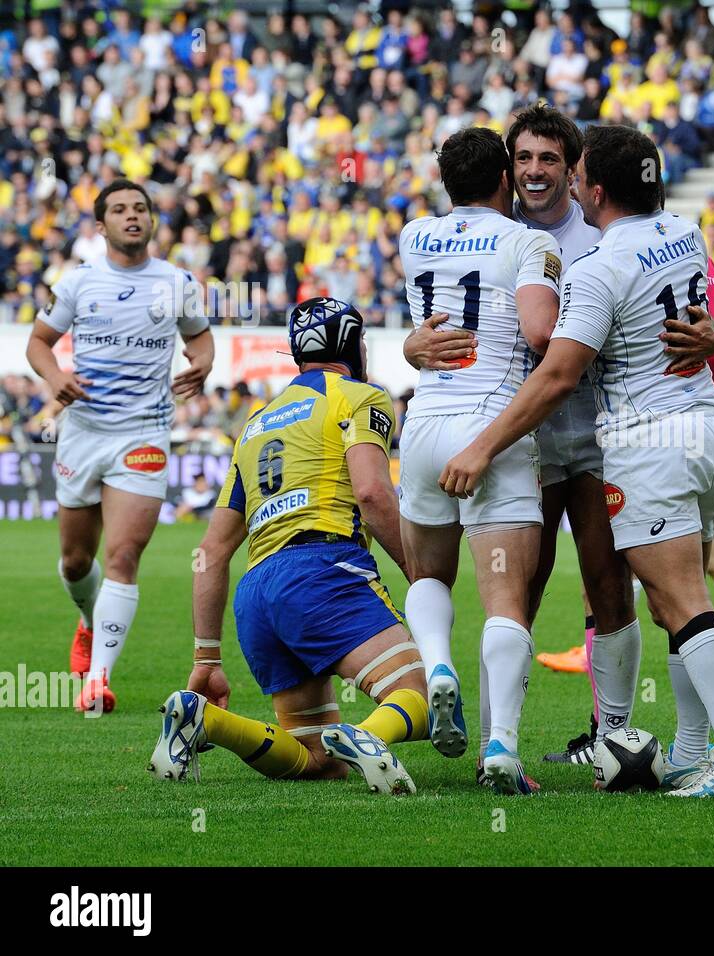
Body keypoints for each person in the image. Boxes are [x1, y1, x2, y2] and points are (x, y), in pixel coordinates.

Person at [440, 124, 714, 798]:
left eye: (563, 163)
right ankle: (689, 751)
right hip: (700, 428)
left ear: (588, 183)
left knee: (673, 598)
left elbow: (560, 370)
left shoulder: (598, 265)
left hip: (641, 440)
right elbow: (693, 306)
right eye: (525, 159)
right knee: (676, 598)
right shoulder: (683, 231)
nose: (543, 172)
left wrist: (480, 446)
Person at [148, 297, 426, 795]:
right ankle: (366, 735)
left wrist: (207, 658)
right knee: (413, 693)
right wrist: (420, 575)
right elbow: (372, 492)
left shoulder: (255, 425)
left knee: (317, 759)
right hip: (324, 570)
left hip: (257, 592)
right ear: (352, 345)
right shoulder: (360, 396)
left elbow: (210, 551)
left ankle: (205, 722)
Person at [395, 127, 562, 796]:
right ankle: (502, 751)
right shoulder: (529, 242)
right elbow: (541, 333)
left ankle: (437, 667)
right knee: (505, 599)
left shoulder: (414, 236)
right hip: (490, 432)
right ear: (505, 177)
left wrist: (411, 347)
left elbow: (423, 329)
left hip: (426, 425)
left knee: (429, 572)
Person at [26, 179, 214, 714]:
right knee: (73, 560)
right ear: (101, 224)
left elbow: (198, 335)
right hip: (83, 432)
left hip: (144, 434)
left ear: (152, 220)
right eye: (119, 210)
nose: (131, 216)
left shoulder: (177, 282)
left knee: (124, 555)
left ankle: (99, 679)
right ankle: (87, 623)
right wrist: (54, 377)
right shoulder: (78, 283)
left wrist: (204, 362)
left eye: (140, 209)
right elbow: (37, 344)